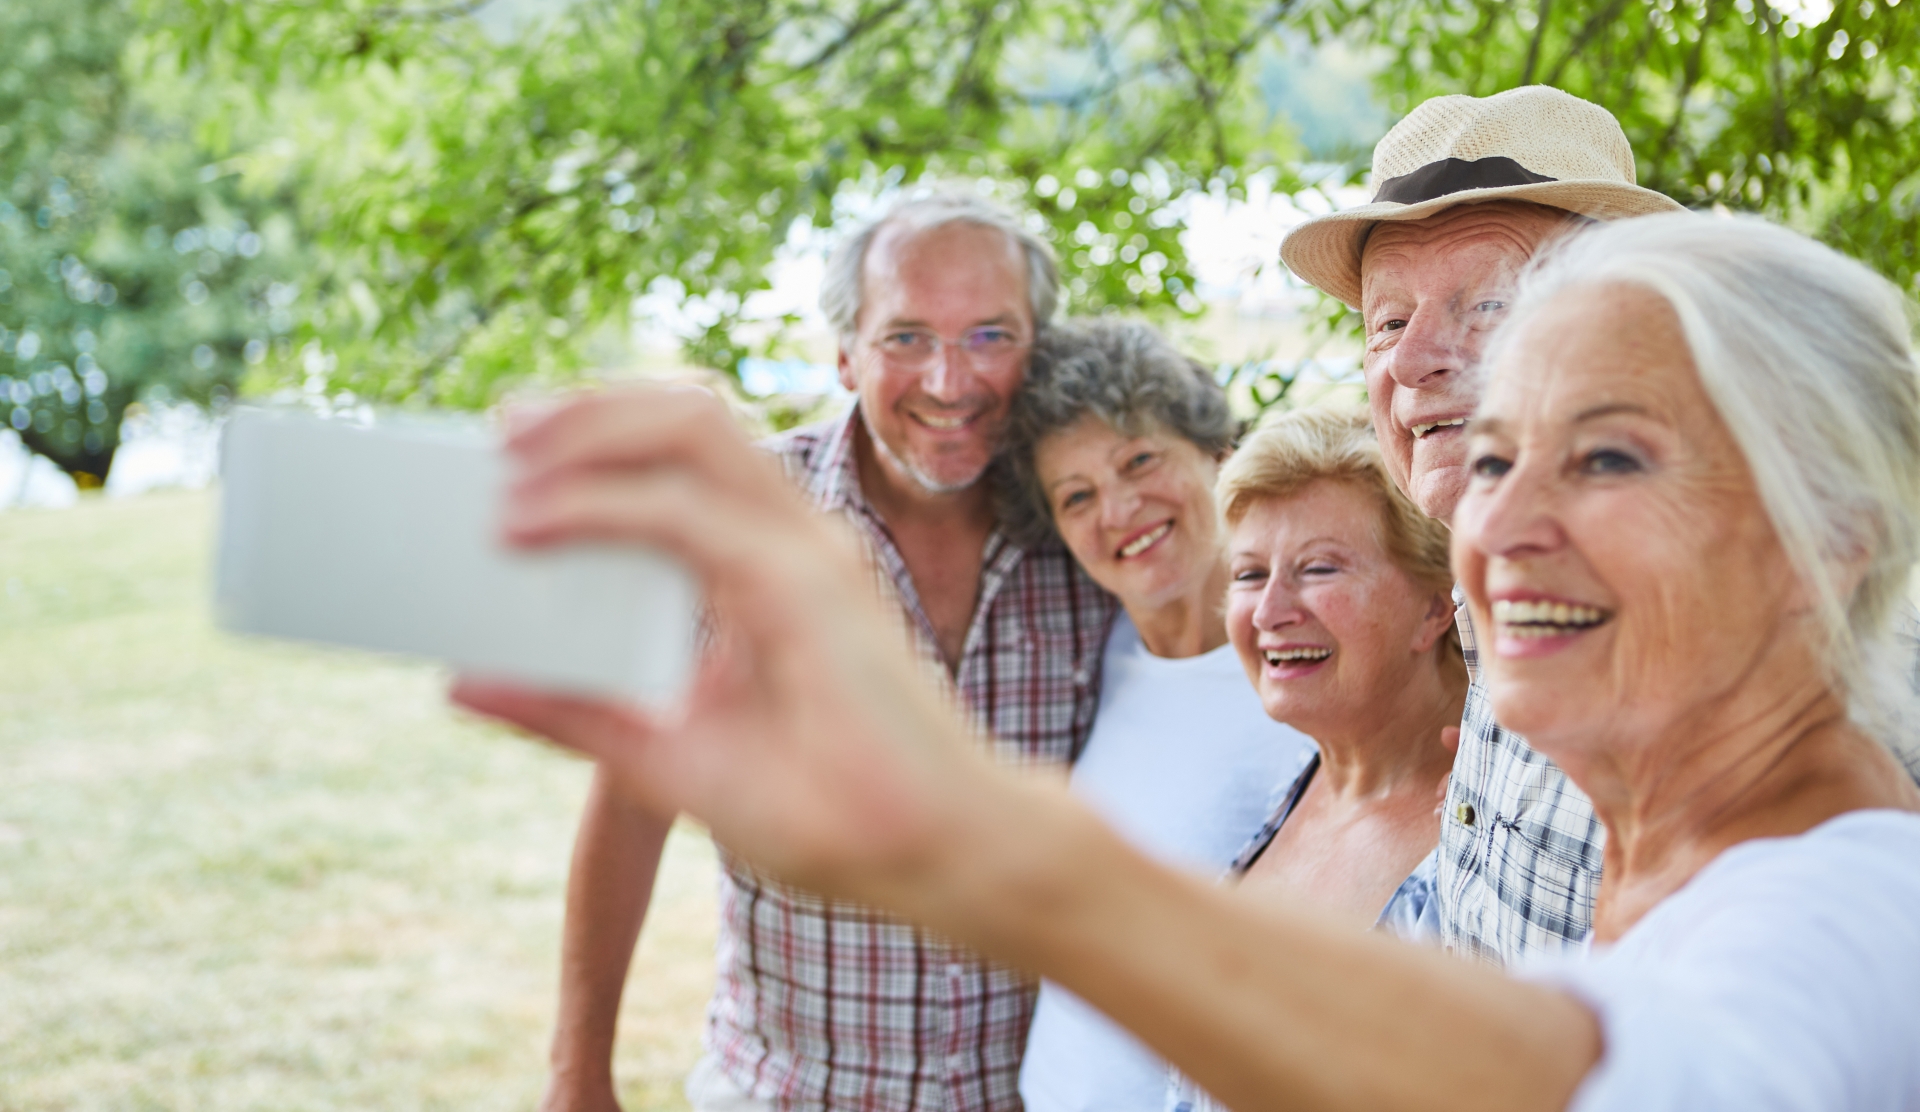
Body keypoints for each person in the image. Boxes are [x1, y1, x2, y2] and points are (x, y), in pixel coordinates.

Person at [460, 211, 1920, 1109]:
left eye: (1608, 456)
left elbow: (1618, 1078)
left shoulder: (1858, 904)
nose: (1502, 520)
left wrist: (977, 846)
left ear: (1831, 531)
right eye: (1486, 456)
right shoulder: (1636, 844)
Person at [538, 191, 1116, 1112]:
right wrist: (576, 1079)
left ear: (1039, 345)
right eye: (906, 338)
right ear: (845, 353)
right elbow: (632, 800)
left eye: (990, 336)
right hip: (791, 1092)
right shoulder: (742, 520)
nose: (948, 379)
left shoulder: (1096, 523)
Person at [1277, 85, 1684, 962]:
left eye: (1489, 304)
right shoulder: (1493, 602)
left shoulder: (1736, 641)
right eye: (1388, 320)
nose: (1414, 361)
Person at [996, 320, 1313, 1112]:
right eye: (1077, 496)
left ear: (1214, 452)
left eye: (1140, 460)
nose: (1120, 509)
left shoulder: (1304, 662)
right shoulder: (1095, 654)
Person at [1164, 409, 1465, 1112]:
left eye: (1318, 567)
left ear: (1434, 605)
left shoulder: (1488, 834)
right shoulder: (1306, 780)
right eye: (1248, 573)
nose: (1269, 610)